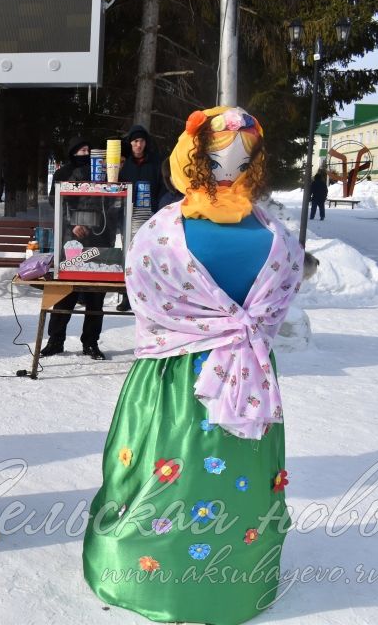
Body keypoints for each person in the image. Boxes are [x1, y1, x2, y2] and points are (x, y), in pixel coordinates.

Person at [82, 107, 304, 624]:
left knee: (175, 478)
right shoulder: (266, 239)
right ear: (197, 155)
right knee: (190, 477)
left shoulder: (177, 232)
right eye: (221, 151)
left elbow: (143, 294)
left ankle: (177, 577)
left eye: (243, 153)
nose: (231, 162)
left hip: (188, 381)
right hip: (217, 378)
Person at [41, 136, 109, 360]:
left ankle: (90, 342)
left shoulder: (103, 174)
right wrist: (73, 225)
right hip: (70, 242)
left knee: (95, 297)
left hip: (99, 242)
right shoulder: (62, 174)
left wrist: (95, 225)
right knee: (64, 293)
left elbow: (111, 203)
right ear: (72, 152)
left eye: (89, 149)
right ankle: (55, 340)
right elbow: (56, 203)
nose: (85, 153)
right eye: (81, 149)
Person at [116, 124, 164, 312]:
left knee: (149, 256)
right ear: (130, 143)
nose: (138, 145)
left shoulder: (155, 162)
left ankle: (149, 297)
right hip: (129, 215)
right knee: (128, 256)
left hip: (150, 215)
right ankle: (126, 296)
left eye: (141, 141)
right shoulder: (124, 164)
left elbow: (162, 187)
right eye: (135, 141)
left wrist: (159, 211)